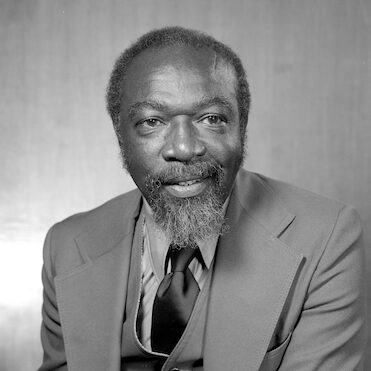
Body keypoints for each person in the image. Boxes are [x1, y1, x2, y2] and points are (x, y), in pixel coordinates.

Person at [38, 27, 366, 371]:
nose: (184, 148)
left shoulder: (327, 236)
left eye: (211, 118)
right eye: (152, 121)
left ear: (242, 127)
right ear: (121, 136)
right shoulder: (66, 246)